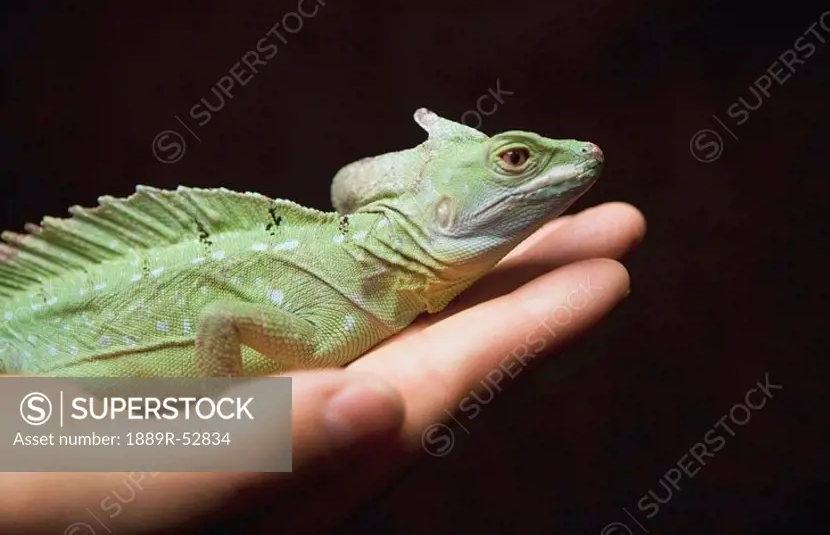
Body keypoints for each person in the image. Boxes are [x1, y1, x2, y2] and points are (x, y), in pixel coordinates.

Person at [0, 202, 644, 535]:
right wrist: (218, 424)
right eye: (513, 161)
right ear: (444, 208)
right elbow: (220, 322)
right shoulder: (335, 314)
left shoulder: (371, 291)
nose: (580, 153)